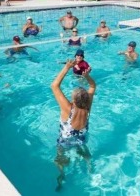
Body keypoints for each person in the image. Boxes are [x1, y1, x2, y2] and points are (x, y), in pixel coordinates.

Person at [51, 60, 96, 191]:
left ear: (74, 100)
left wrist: (66, 68)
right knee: (85, 153)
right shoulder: (87, 108)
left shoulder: (68, 109)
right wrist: (87, 77)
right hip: (82, 140)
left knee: (60, 161)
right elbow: (93, 86)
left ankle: (62, 176)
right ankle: (89, 168)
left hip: (64, 142)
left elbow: (54, 86)